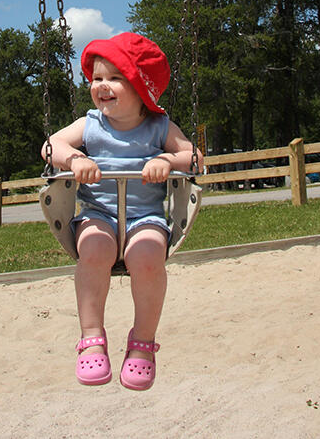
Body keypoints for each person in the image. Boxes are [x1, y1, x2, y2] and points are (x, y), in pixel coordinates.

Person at [41, 32, 203, 390]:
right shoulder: (91, 124)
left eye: (115, 78)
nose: (102, 85)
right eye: (97, 78)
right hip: (98, 214)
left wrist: (166, 159)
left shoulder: (159, 127)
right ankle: (92, 336)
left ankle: (143, 343)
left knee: (146, 258)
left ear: (142, 88)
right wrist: (74, 157)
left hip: (146, 219)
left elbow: (194, 158)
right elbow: (51, 145)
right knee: (94, 250)